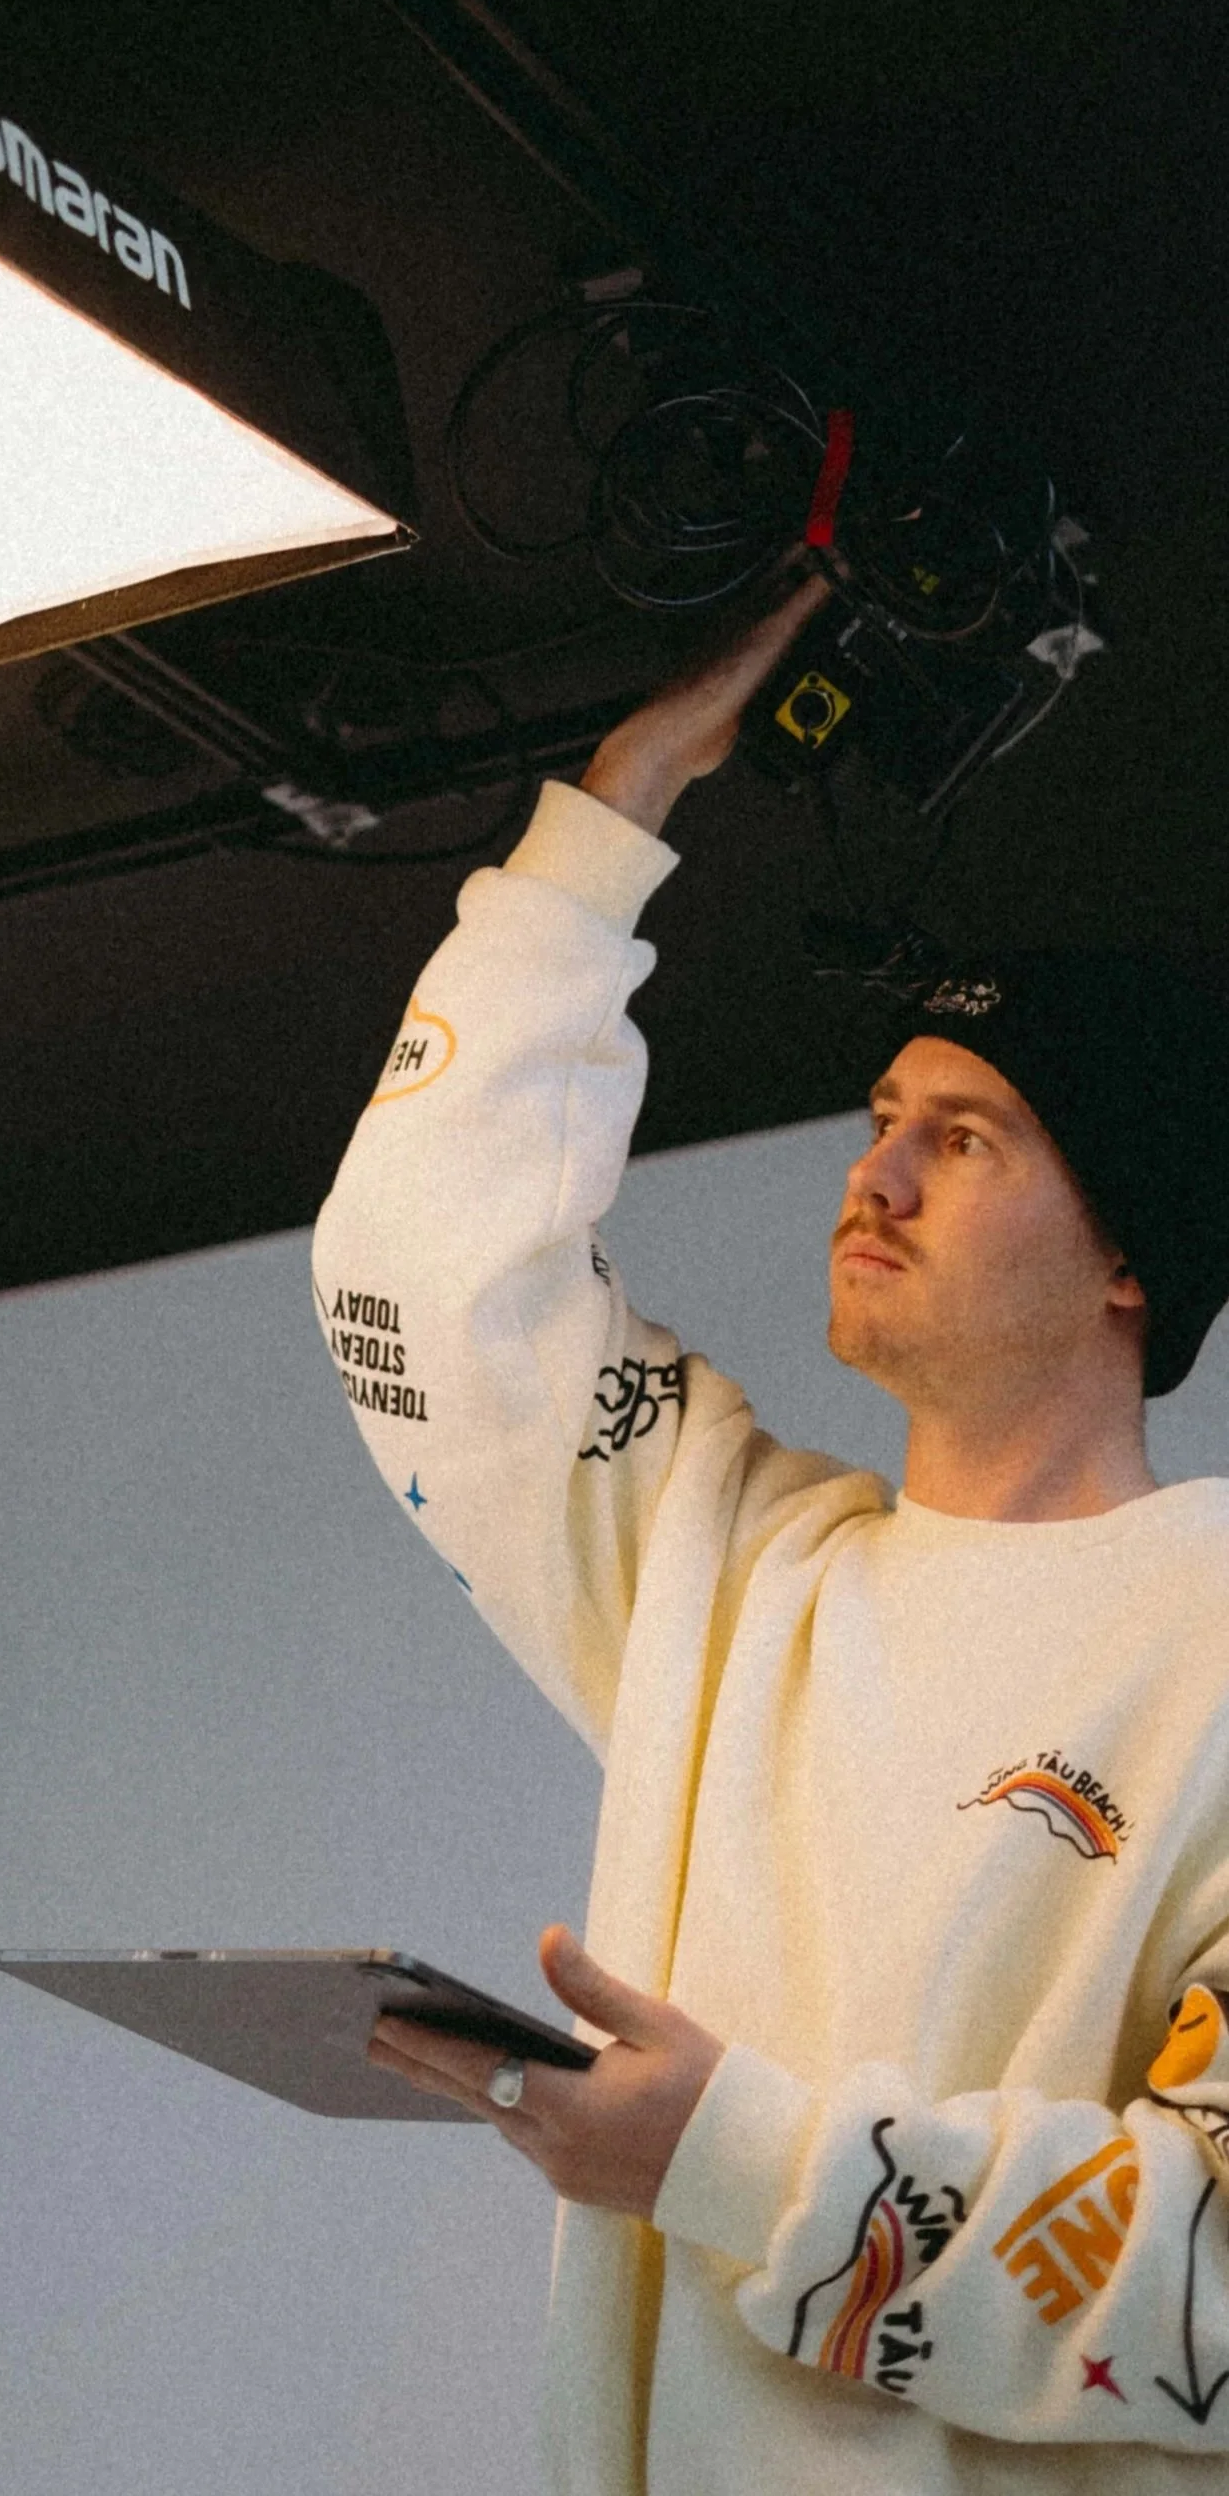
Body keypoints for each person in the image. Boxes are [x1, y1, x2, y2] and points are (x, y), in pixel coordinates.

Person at [312, 581, 1229, 2491]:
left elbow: (1210, 2278)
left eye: (964, 1137)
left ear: (1132, 1255)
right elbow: (418, 1280)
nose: (872, 1170)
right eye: (881, 1111)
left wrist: (726, 2162)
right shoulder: (728, 1566)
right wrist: (609, 815)